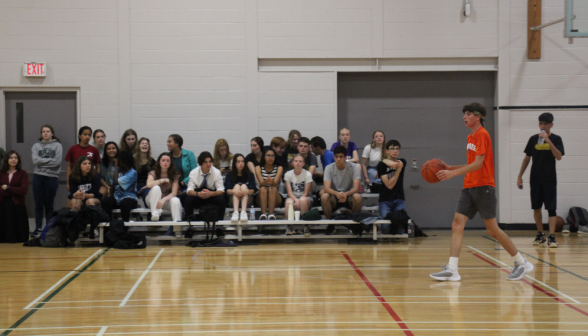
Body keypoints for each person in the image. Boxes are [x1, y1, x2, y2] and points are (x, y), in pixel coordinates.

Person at [430, 102, 533, 282]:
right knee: (457, 224)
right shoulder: (471, 137)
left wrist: (452, 173)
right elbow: (472, 164)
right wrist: (450, 167)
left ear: (478, 116)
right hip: (469, 186)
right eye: (464, 114)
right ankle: (452, 269)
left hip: (483, 187)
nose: (464, 117)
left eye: (468, 114)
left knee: (492, 230)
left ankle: (521, 262)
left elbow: (479, 165)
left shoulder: (482, 135)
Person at [517, 112, 566, 246]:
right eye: (541, 123)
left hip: (549, 179)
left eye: (545, 123)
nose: (542, 126)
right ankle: (540, 234)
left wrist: (548, 140)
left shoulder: (556, 139)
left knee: (551, 208)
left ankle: (551, 236)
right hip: (535, 178)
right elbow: (527, 158)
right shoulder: (533, 139)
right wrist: (520, 176)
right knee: (536, 207)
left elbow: (559, 156)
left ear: (551, 125)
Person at [30, 125, 63, 237]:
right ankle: (38, 228)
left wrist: (42, 161)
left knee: (49, 205)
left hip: (52, 177)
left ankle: (48, 229)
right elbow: (35, 161)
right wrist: (49, 160)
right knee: (39, 204)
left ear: (52, 133)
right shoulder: (36, 146)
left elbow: (57, 162)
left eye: (48, 131)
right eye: (43, 131)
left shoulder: (58, 146)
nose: (45, 133)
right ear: (41, 134)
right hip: (38, 176)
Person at [321, 146, 362, 234]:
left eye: (341, 156)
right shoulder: (329, 168)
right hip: (335, 196)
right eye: (336, 156)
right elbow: (326, 188)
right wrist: (337, 194)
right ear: (334, 157)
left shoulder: (354, 167)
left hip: (349, 195)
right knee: (324, 197)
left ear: (345, 157)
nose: (338, 159)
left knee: (357, 197)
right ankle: (330, 225)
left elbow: (356, 188)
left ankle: (354, 225)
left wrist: (345, 194)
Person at [184, 151, 226, 223]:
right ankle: (190, 224)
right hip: (198, 195)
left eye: (210, 162)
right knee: (188, 199)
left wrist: (211, 194)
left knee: (221, 199)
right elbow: (189, 190)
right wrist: (198, 194)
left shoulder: (216, 172)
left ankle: (219, 225)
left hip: (211, 195)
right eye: (205, 162)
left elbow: (221, 190)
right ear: (201, 163)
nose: (208, 164)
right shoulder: (193, 172)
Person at [377, 140, 407, 234]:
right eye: (392, 149)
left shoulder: (402, 162)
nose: (395, 151)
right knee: (385, 229)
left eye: (397, 149)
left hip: (399, 198)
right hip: (385, 200)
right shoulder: (381, 165)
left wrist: (384, 159)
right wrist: (398, 171)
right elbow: (389, 185)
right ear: (387, 151)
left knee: (400, 230)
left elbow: (394, 164)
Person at [0, 151, 29, 243]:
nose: (13, 159)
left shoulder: (23, 173)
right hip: (3, 202)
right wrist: (14, 191)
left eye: (15, 158)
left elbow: (23, 191)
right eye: (11, 158)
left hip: (18, 203)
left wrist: (7, 188)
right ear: (6, 160)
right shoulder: (1, 173)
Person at [101, 151, 138, 222]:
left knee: (124, 203)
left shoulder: (132, 173)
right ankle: (108, 226)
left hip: (130, 197)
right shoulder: (119, 171)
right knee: (106, 202)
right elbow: (113, 184)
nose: (118, 162)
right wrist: (111, 193)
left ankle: (125, 228)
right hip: (117, 197)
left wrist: (116, 166)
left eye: (119, 160)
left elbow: (116, 182)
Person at [146, 152, 182, 223]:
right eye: (163, 160)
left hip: (165, 200)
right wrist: (162, 180)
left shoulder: (175, 175)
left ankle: (177, 226)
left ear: (171, 163)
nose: (165, 162)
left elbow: (174, 193)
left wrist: (164, 199)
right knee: (156, 188)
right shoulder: (153, 173)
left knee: (175, 200)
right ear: (159, 162)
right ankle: (155, 214)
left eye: (168, 161)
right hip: (152, 200)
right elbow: (149, 185)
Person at [284, 155, 314, 236]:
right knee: (288, 202)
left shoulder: (307, 174)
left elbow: (306, 192)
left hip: (305, 197)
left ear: (303, 164)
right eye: (296, 161)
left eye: (300, 161)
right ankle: (289, 226)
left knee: (303, 200)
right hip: (292, 196)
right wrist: (295, 200)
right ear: (293, 163)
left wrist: (299, 200)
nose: (298, 163)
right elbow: (289, 192)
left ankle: (305, 226)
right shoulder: (288, 174)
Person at [65, 126, 101, 192]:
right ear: (80, 136)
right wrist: (68, 181)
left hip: (90, 180)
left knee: (89, 200)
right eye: (85, 134)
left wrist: (97, 180)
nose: (87, 137)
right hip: (75, 179)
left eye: (89, 135)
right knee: (73, 199)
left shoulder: (94, 150)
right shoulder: (73, 149)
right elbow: (69, 165)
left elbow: (98, 167)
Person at [225, 154, 256, 223]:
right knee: (237, 186)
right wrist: (235, 191)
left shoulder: (250, 174)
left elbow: (253, 190)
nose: (241, 164)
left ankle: (243, 212)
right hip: (233, 200)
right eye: (238, 162)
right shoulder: (229, 175)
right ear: (234, 163)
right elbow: (227, 190)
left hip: (247, 200)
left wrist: (246, 191)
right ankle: (235, 212)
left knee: (244, 186)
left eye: (242, 161)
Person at [255, 148, 284, 220]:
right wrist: (266, 182)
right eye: (268, 155)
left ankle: (271, 214)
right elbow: (261, 183)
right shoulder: (258, 167)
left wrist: (272, 182)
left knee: (273, 188)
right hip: (262, 195)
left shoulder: (279, 168)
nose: (270, 158)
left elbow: (275, 183)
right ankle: (263, 214)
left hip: (275, 195)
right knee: (263, 189)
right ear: (264, 157)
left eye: (272, 156)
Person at [135, 137, 156, 203]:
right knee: (132, 197)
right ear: (138, 146)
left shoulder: (152, 161)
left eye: (146, 144)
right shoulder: (133, 160)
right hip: (135, 185)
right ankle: (135, 214)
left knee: (148, 197)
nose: (144, 145)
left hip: (147, 185)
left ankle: (150, 213)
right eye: (142, 143)